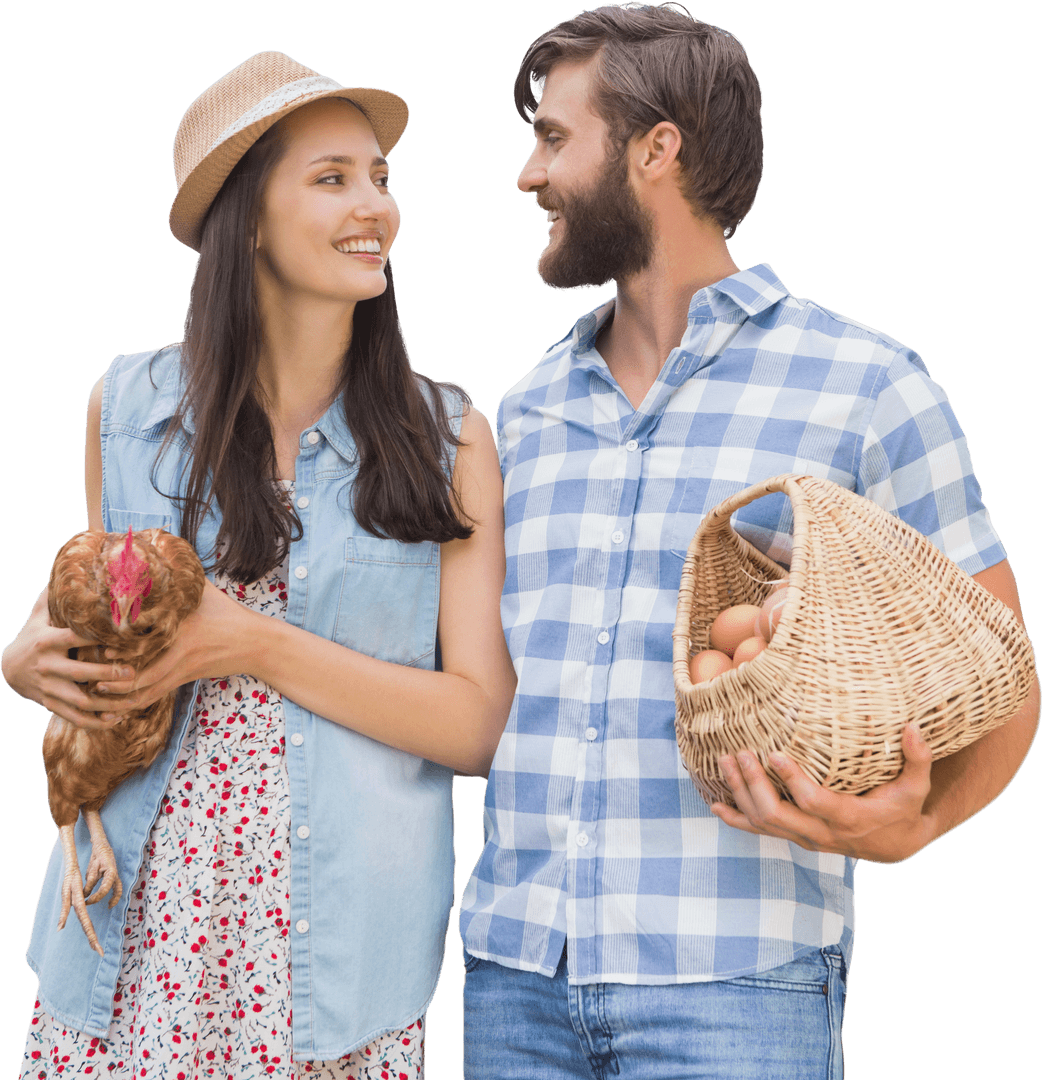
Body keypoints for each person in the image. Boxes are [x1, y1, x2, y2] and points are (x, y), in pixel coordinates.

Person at [458, 4, 1040, 1078]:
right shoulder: (529, 407)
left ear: (654, 150)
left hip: (733, 984)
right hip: (514, 980)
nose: (527, 176)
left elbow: (1005, 671)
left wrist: (918, 822)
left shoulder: (866, 385)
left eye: (551, 138)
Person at [3, 51, 515, 1079]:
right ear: (249, 219)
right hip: (130, 932)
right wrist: (24, 656)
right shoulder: (125, 406)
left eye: (380, 177)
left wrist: (254, 645)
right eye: (331, 179)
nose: (375, 205)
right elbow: (98, 609)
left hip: (335, 965)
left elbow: (476, 723)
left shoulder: (449, 439)